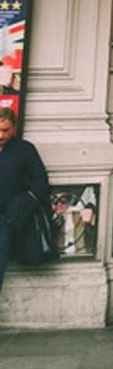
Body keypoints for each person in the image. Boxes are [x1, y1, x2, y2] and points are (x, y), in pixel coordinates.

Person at [0, 107, 50, 293]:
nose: (1, 135)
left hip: (5, 219)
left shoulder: (24, 149)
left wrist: (21, 207)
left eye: (5, 130)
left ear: (13, 128)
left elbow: (40, 181)